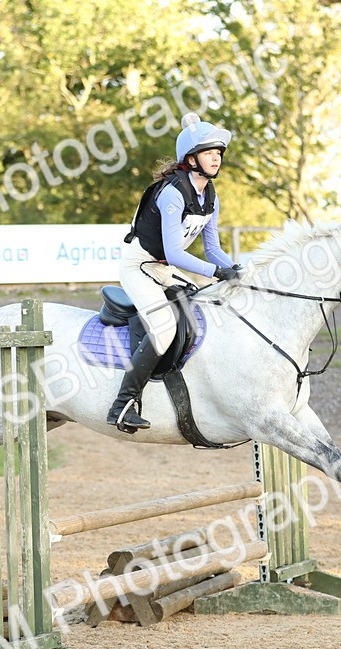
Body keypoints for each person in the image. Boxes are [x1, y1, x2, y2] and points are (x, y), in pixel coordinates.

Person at [107, 114, 242, 432]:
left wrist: (237, 270)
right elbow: (174, 253)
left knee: (210, 305)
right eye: (210, 152)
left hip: (164, 269)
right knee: (165, 327)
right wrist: (217, 272)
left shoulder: (211, 196)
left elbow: (213, 251)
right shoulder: (172, 193)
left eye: (219, 152)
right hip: (140, 267)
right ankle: (123, 404)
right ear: (191, 158)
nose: (216, 157)